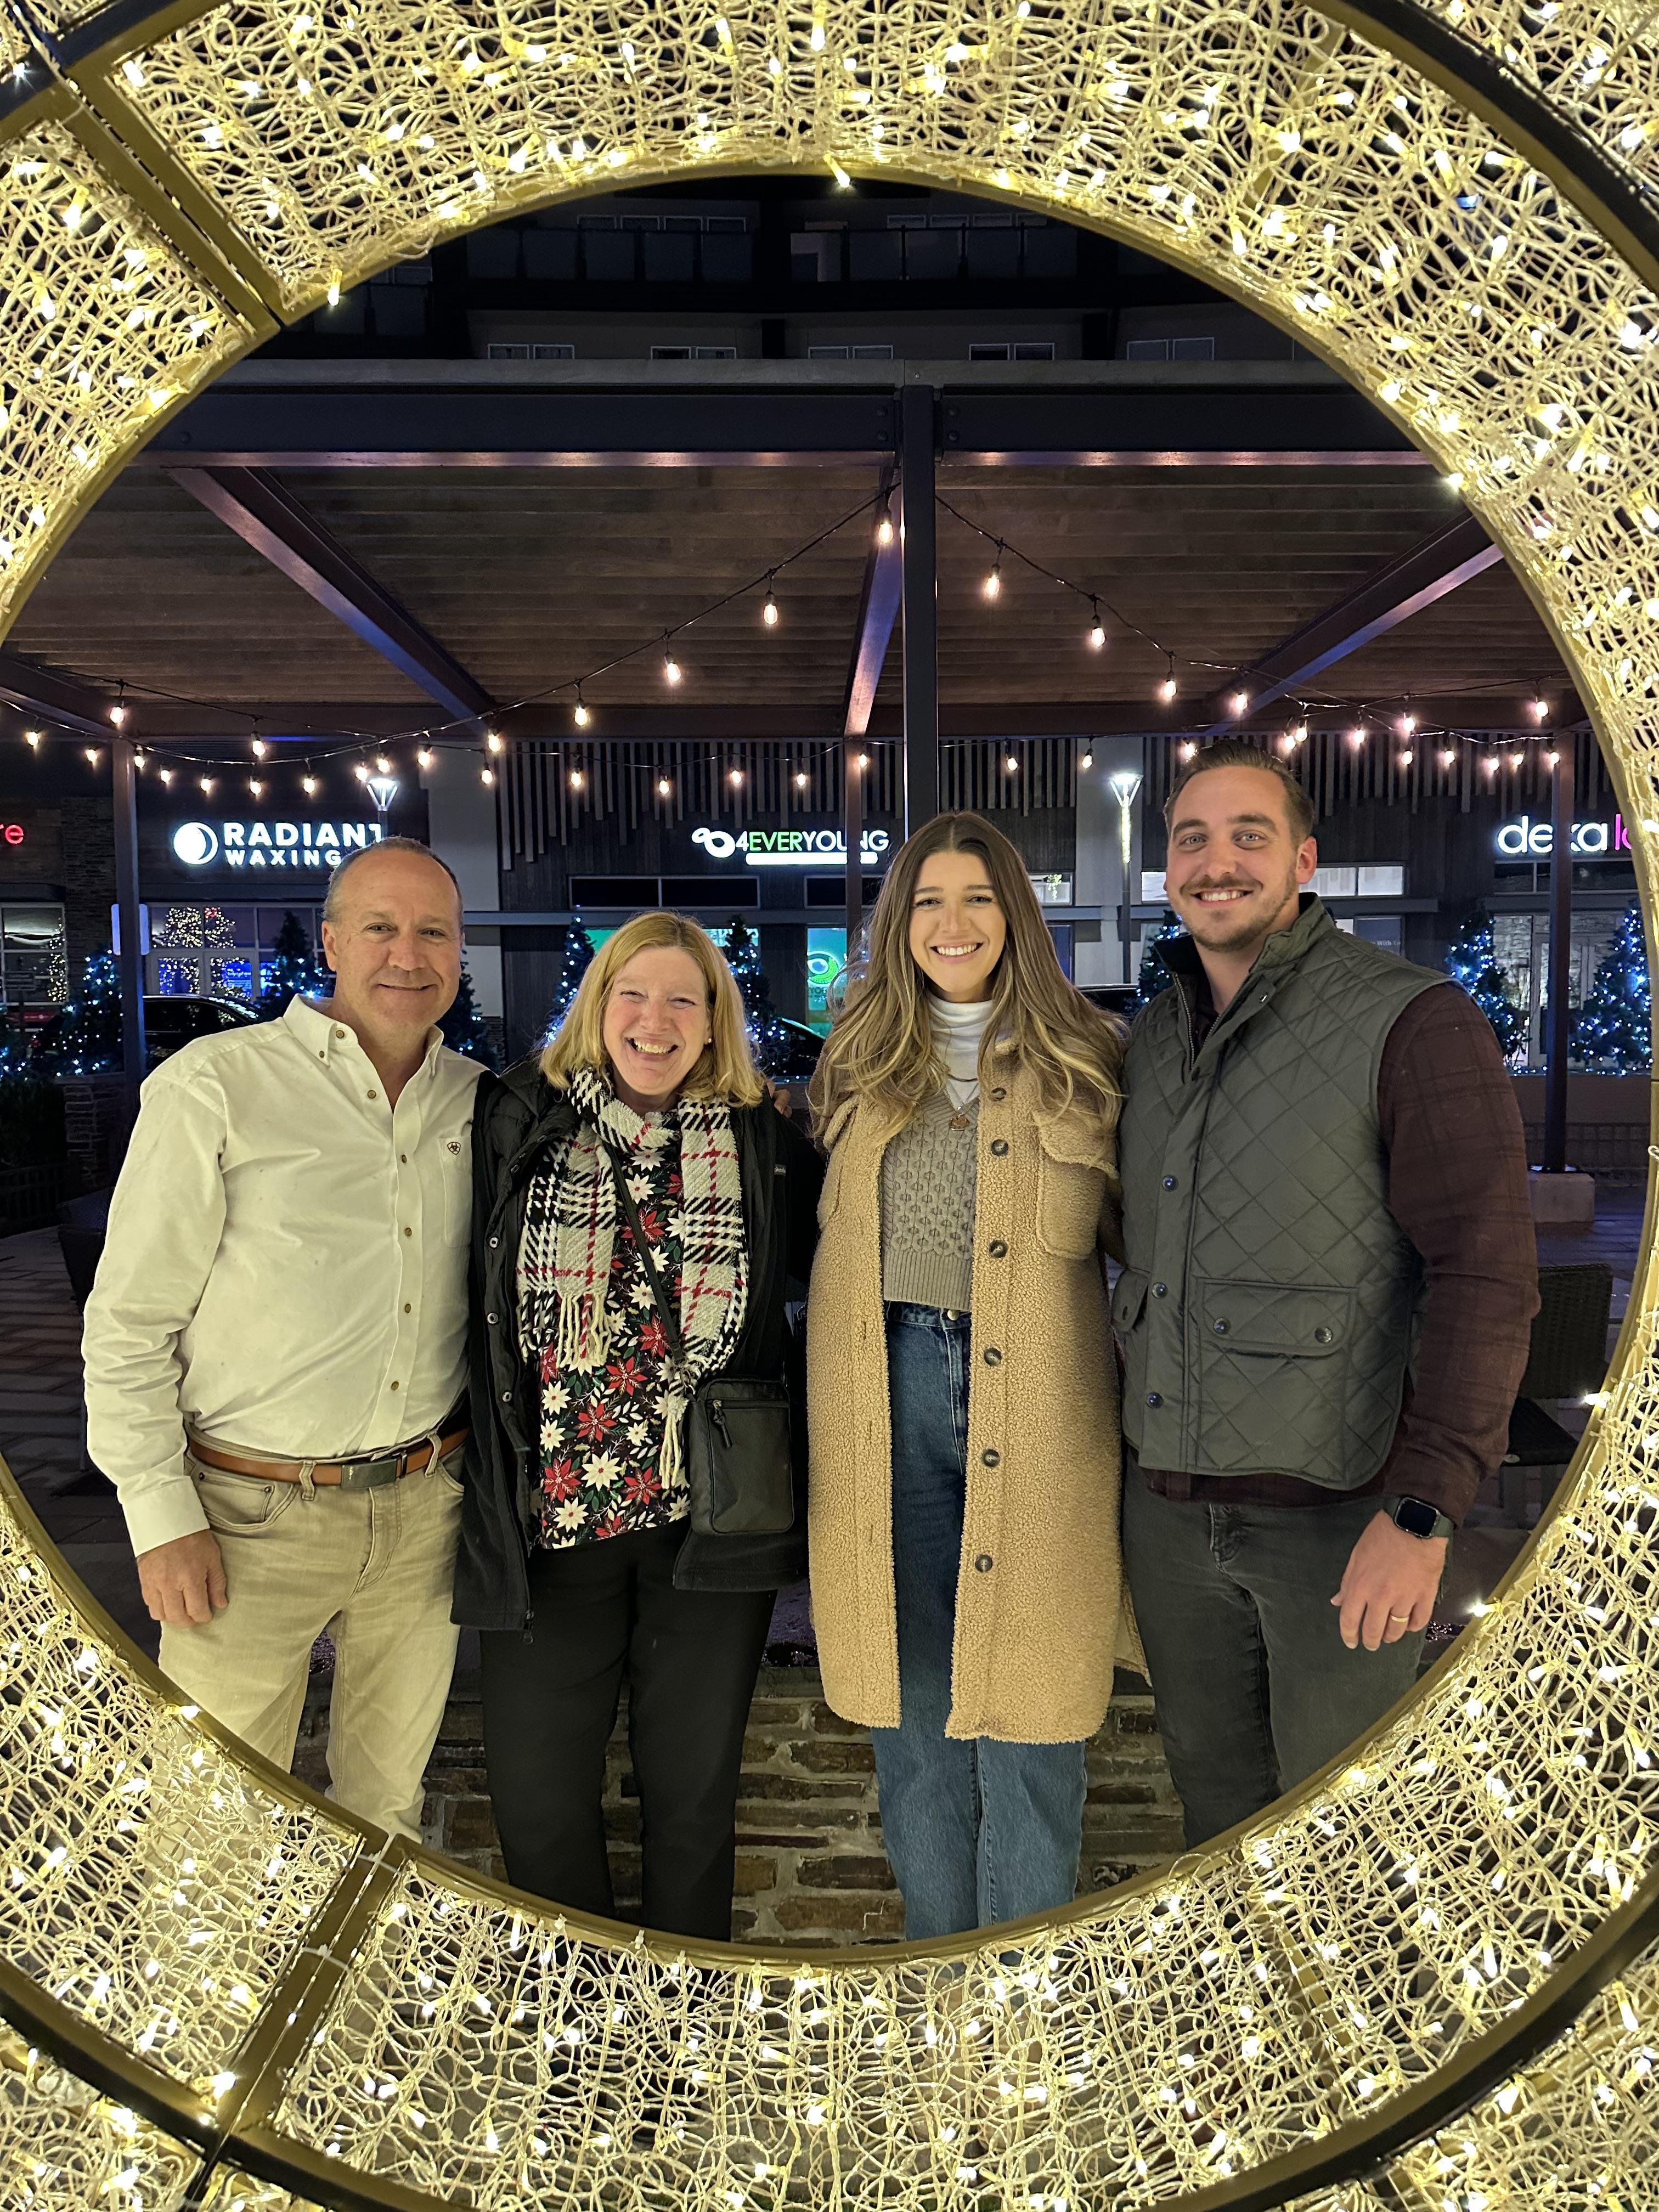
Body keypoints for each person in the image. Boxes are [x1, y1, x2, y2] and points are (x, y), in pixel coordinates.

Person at [1116, 739, 1539, 1847]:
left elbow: (1486, 1273)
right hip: (1167, 1518)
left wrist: (1423, 1509)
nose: (1218, 862)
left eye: (1249, 836)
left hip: (1338, 1518)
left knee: (1343, 1847)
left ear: (1305, 861)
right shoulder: (1155, 1036)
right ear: (1167, 866)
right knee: (1215, 1831)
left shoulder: (1412, 1019)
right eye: (1192, 839)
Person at [83, 837, 481, 1839]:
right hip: (246, 1517)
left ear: (460, 952)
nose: (408, 953)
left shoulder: (482, 1101)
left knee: (387, 1814)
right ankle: (213, 2003)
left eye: (433, 931)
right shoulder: (215, 1086)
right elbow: (129, 1323)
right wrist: (157, 1511)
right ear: (335, 942)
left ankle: (351, 1999)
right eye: (382, 928)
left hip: (426, 1509)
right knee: (212, 1820)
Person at [806, 812, 1137, 1940]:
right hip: (881, 1408)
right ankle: (939, 1987)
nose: (954, 924)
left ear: (1016, 918)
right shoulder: (854, 1064)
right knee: (914, 1724)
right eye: (931, 901)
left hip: (1046, 1417)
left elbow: (1144, 1254)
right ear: (902, 924)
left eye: (979, 899)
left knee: (1035, 1726)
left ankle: (1019, 2016)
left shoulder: (1092, 1059)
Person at [461, 911, 821, 1941]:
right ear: (597, 1004)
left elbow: (841, 1276)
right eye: (633, 994)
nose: (654, 1022)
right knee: (537, 1805)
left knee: (695, 1807)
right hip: (550, 1522)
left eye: (683, 1000)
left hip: (708, 1530)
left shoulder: (763, 1141)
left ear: (714, 1023)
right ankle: (587, 2055)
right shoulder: (517, 1120)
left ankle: (680, 2048)